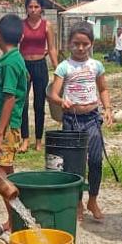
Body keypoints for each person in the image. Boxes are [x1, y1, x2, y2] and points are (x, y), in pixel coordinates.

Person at [48, 22, 114, 221]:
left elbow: (103, 89)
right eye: (76, 43)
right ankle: (76, 202)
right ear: (69, 44)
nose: (80, 48)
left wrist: (108, 108)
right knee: (74, 165)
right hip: (72, 120)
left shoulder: (96, 66)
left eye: (85, 44)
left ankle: (92, 200)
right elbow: (53, 94)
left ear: (91, 44)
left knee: (95, 160)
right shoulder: (64, 67)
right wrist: (61, 101)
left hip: (92, 119)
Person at [0, 13, 29, 237]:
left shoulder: (10, 63)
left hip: (4, 127)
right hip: (6, 126)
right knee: (7, 173)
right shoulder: (14, 59)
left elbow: (9, 98)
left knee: (1, 176)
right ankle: (15, 219)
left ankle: (16, 221)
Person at [18, 0, 59, 153]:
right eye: (30, 7)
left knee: (39, 104)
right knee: (22, 103)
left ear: (41, 8)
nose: (33, 10)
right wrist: (20, 67)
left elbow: (52, 48)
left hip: (40, 65)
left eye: (36, 7)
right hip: (24, 66)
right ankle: (25, 139)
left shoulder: (47, 25)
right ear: (26, 8)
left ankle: (39, 140)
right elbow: (16, 47)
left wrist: (57, 68)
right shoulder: (21, 25)